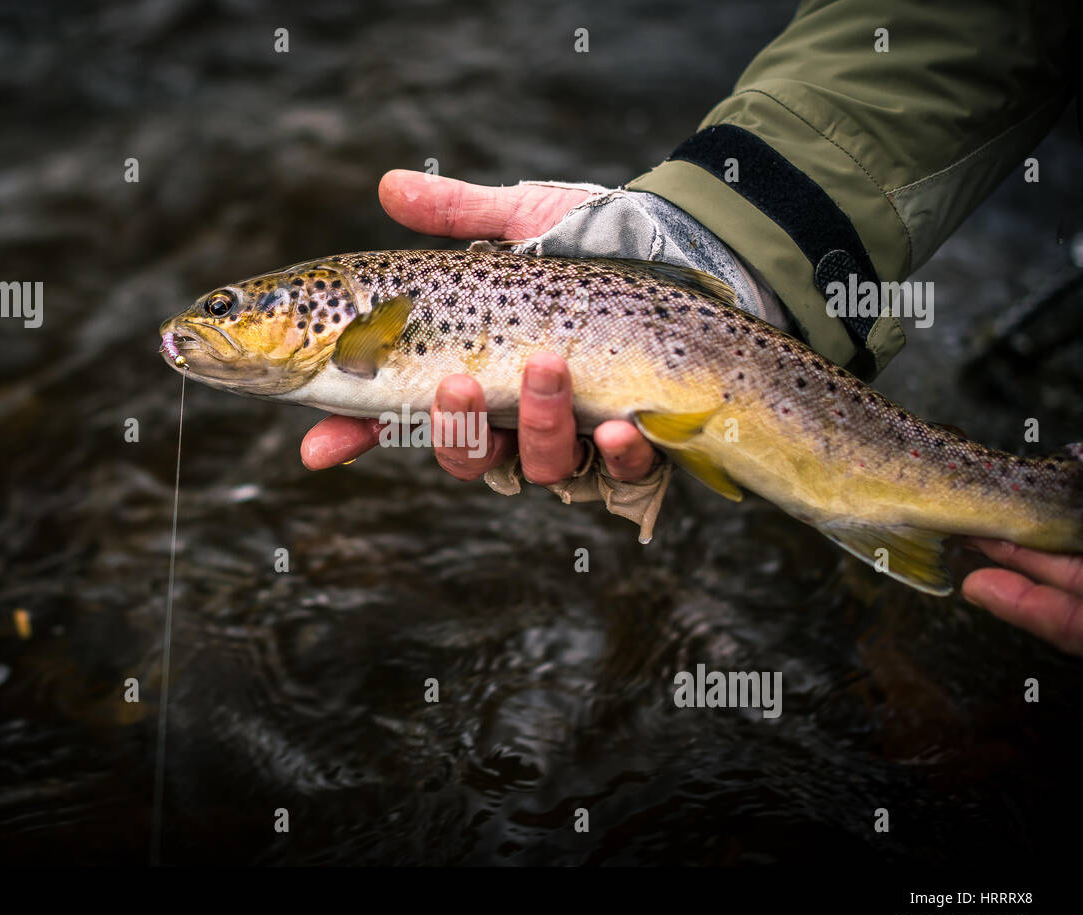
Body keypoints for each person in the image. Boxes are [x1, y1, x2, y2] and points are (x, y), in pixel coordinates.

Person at [300, 0, 1083, 655]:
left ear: (317, 308)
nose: (192, 333)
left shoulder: (360, 332)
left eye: (229, 310)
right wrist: (727, 239)